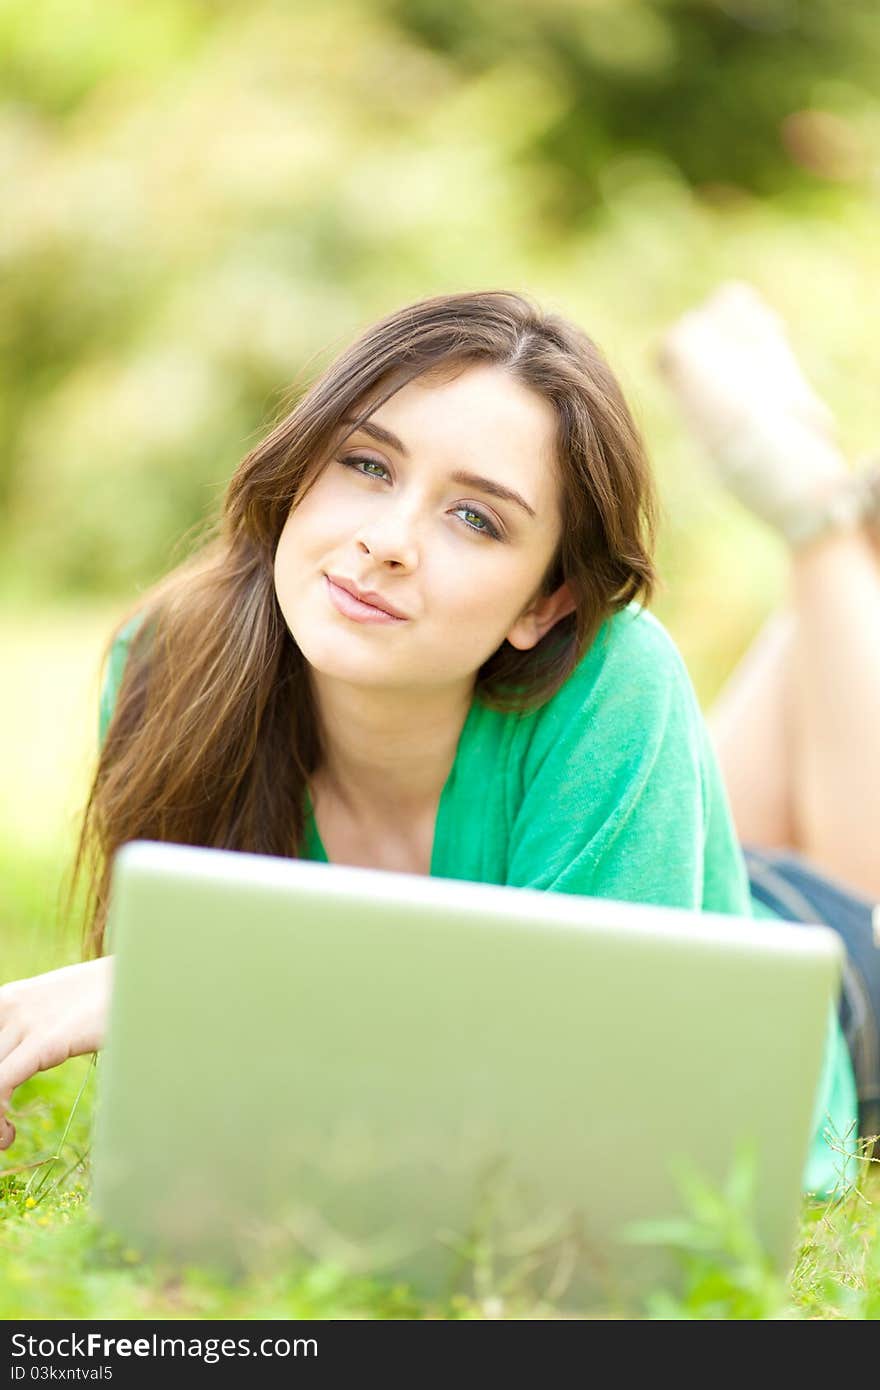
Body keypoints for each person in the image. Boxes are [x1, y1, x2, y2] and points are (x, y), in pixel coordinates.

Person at [0, 288, 874, 1199]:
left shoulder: (617, 674)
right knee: (724, 832)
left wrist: (193, 979)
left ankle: (816, 512)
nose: (387, 542)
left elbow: (591, 1092)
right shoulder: (173, 666)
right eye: (367, 464)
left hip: (808, 972)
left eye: (476, 519)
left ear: (547, 603)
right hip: (676, 883)